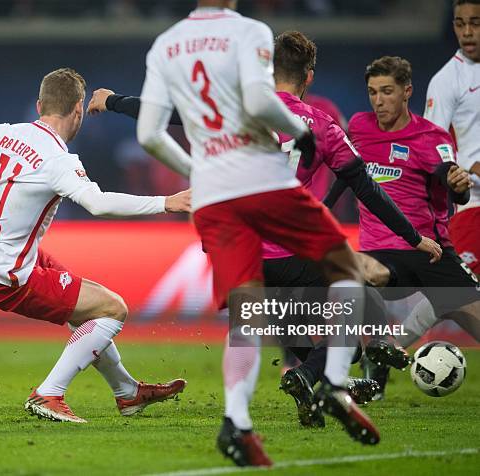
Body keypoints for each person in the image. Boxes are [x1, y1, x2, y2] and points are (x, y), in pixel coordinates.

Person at [87, 30, 441, 428]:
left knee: (294, 333)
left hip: (241, 253)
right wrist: (414, 237)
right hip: (293, 250)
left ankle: (304, 388)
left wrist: (112, 100)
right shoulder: (321, 125)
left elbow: (170, 112)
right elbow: (367, 188)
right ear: (308, 77)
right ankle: (311, 377)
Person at [135, 1, 380, 466]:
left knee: (247, 313)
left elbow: (148, 134)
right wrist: (298, 132)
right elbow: (260, 100)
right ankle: (332, 382)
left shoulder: (165, 45)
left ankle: (237, 423)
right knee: (346, 267)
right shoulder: (248, 31)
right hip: (261, 179)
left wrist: (198, 172)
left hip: (214, 198)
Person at [0, 68, 190, 424]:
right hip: (10, 276)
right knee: (113, 309)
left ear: (40, 105)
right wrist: (168, 202)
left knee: (86, 311)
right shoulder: (59, 160)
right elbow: (98, 204)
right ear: (79, 111)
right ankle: (49, 393)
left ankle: (127, 393)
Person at [340, 56, 480, 397]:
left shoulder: (430, 137)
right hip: (380, 253)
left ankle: (376, 355)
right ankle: (360, 374)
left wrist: (459, 184)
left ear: (407, 92)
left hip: (430, 252)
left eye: (387, 91)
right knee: (347, 275)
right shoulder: (359, 127)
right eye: (372, 92)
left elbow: (450, 179)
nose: (378, 100)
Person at [425, 0, 480, 278]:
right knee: (460, 293)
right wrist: (466, 168)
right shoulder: (446, 80)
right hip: (474, 206)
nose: (467, 32)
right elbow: (429, 150)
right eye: (460, 24)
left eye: (475, 23)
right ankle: (408, 325)